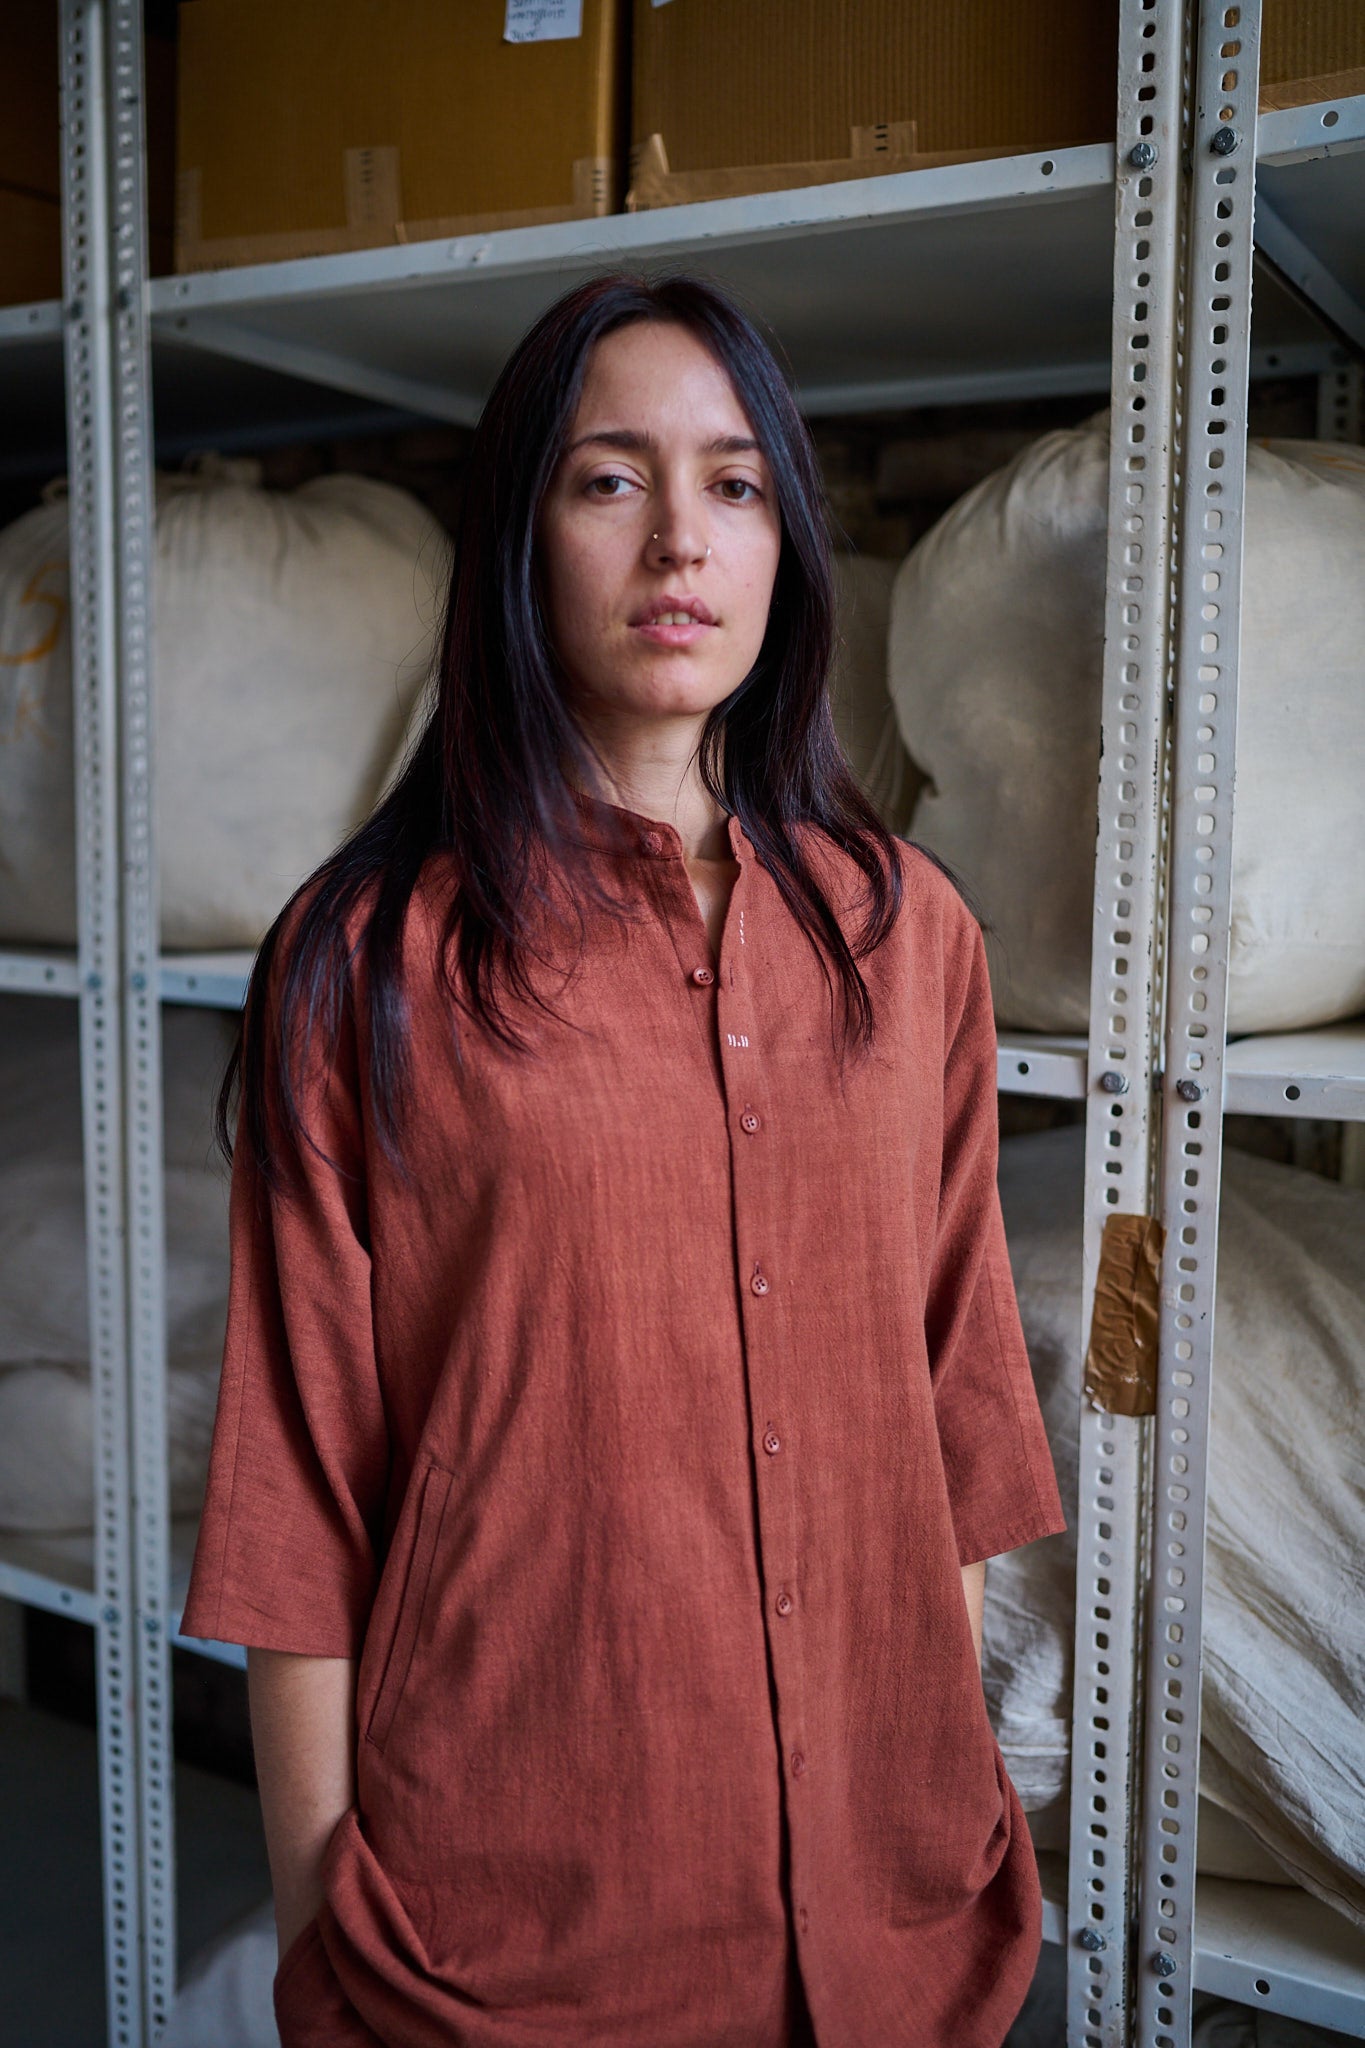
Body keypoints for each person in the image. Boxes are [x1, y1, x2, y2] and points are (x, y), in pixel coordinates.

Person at [180, 272, 1066, 2048]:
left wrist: (928, 1795)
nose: (681, 538)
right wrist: (320, 1936)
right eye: (609, 480)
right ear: (520, 530)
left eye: (735, 484)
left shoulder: (911, 939)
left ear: (787, 543)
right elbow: (300, 1481)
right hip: (505, 1938)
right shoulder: (367, 958)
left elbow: (955, 1410)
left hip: (889, 1920)